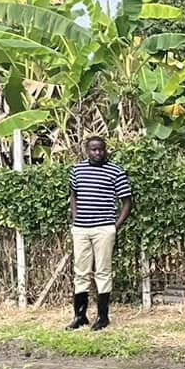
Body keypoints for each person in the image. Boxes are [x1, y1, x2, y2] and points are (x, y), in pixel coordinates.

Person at [66, 136, 131, 332]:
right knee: (81, 272)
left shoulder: (115, 171)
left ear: (106, 150)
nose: (98, 153)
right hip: (81, 229)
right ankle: (80, 316)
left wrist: (114, 226)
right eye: (94, 150)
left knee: (103, 272)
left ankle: (103, 317)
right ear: (87, 150)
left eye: (101, 149)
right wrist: (76, 219)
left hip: (104, 228)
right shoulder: (78, 170)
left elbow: (127, 202)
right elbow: (73, 195)